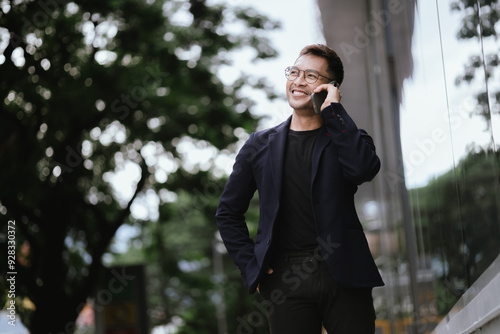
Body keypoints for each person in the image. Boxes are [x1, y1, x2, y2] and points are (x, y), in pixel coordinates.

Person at [215, 44, 384, 334]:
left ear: (330, 87)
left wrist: (334, 111)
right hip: (284, 278)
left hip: (344, 271)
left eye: (311, 76)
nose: (298, 81)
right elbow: (228, 212)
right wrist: (250, 267)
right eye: (294, 72)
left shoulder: (347, 138)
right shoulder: (259, 145)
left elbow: (363, 169)